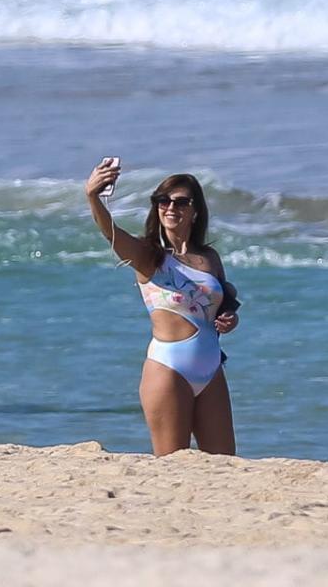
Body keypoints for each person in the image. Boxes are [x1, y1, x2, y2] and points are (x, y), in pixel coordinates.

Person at [85, 159, 239, 456]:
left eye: (181, 202)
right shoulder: (148, 256)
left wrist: (230, 320)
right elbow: (111, 234)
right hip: (168, 368)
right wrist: (93, 196)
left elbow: (223, 306)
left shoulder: (209, 257)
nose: (171, 207)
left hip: (211, 370)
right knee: (171, 463)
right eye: (163, 201)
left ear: (195, 212)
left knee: (224, 463)